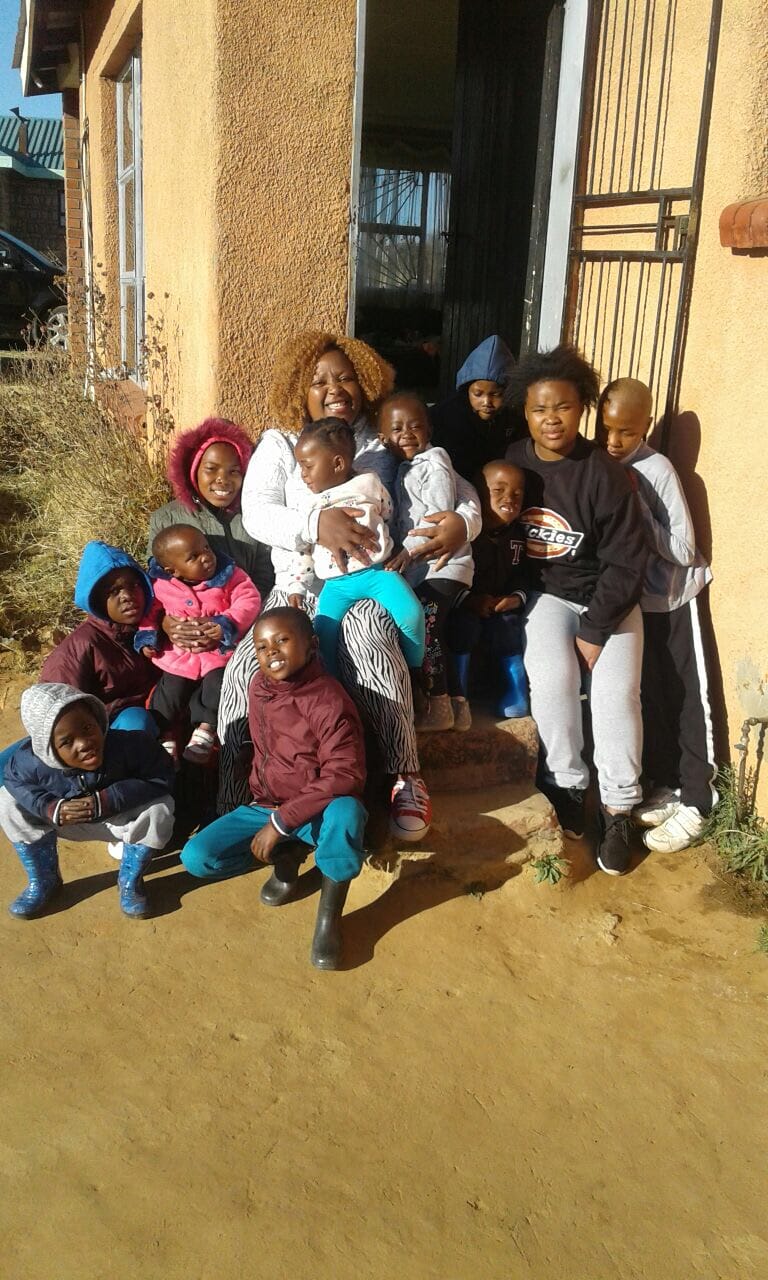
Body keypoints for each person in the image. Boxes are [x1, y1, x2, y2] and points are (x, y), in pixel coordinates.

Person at [223, 331, 481, 841]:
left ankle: (404, 774)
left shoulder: (380, 439)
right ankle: (233, 793)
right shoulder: (282, 444)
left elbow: (456, 481)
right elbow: (256, 512)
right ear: (299, 389)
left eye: (345, 377)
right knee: (245, 670)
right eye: (319, 381)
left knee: (371, 640)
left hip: (367, 583)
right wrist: (314, 525)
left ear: (364, 382)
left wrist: (464, 521)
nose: (334, 388)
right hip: (298, 589)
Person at [505, 345, 648, 876]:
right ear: (525, 413)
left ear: (582, 408)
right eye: (540, 409)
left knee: (616, 694)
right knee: (551, 676)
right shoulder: (514, 463)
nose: (552, 419)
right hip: (549, 596)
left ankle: (618, 808)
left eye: (563, 407)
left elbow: (629, 563)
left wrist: (594, 630)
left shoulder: (604, 473)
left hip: (611, 597)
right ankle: (567, 784)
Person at [180, 608, 367, 970]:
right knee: (197, 858)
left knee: (348, 812)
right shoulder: (258, 687)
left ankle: (328, 918)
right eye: (262, 647)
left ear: (312, 645)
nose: (272, 652)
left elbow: (345, 772)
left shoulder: (328, 700)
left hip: (315, 809)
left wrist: (282, 822)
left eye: (282, 640)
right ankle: (286, 856)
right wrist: (271, 817)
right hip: (266, 805)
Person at [596, 377, 716, 853]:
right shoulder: (601, 462)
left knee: (688, 695)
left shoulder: (657, 468)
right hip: (636, 604)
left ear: (645, 425)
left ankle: (700, 800)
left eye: (626, 432)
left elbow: (685, 550)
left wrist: (638, 511)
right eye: (606, 429)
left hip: (675, 598)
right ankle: (669, 786)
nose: (613, 441)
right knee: (652, 695)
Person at [0, 683, 175, 918]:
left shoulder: (131, 745)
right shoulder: (29, 761)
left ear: (98, 719)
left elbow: (163, 774)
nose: (84, 743)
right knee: (7, 801)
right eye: (66, 742)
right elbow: (14, 781)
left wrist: (110, 799)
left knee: (160, 807)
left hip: (118, 820)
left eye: (87, 728)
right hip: (64, 821)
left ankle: (130, 882)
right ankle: (45, 880)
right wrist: (49, 807)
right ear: (48, 748)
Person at [0, 541, 158, 781]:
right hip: (90, 735)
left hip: (138, 723)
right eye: (113, 591)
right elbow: (55, 716)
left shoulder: (154, 628)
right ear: (96, 600)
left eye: (134, 585)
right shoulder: (80, 647)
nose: (127, 596)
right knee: (135, 720)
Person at [283, 418, 426, 678]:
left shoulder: (369, 484)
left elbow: (388, 513)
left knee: (411, 614)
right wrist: (297, 587)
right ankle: (333, 684)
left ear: (338, 463)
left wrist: (391, 542)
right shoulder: (310, 505)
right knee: (323, 634)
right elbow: (305, 549)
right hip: (336, 586)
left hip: (378, 574)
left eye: (308, 466)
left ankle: (414, 669)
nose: (302, 474)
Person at [379, 392, 474, 731]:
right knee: (437, 630)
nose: (407, 434)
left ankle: (438, 707)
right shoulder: (404, 467)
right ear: (383, 438)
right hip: (428, 568)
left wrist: (407, 552)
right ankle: (459, 707)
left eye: (415, 426)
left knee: (426, 626)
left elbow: (438, 514)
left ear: (429, 430)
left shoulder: (434, 461)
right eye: (397, 429)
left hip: (443, 564)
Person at [136, 525, 261, 763]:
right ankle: (165, 734)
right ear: (173, 571)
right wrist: (148, 636)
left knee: (220, 684)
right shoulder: (160, 585)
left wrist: (227, 623)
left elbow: (249, 599)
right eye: (193, 557)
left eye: (206, 548)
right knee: (170, 689)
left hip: (218, 652)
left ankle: (205, 730)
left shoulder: (230, 575)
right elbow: (150, 612)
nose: (206, 557)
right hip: (179, 654)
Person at [446, 460, 530, 728]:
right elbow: (447, 573)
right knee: (463, 627)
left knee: (508, 626)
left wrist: (515, 598)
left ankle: (515, 690)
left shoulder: (519, 536)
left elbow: (525, 574)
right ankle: (459, 694)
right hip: (466, 606)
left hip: (500, 606)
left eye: (517, 494)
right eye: (498, 491)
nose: (509, 499)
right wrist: (469, 601)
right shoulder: (465, 535)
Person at [430, 335, 525, 481]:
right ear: (466, 390)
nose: (487, 402)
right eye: (478, 394)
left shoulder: (514, 416)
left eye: (496, 394)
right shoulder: (446, 416)